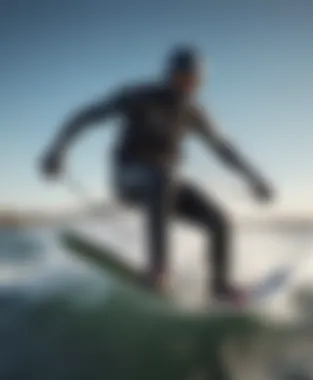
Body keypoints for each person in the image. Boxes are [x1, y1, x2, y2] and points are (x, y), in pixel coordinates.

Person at [40, 45, 274, 306]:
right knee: (161, 177)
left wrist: (254, 178)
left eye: (193, 80)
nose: (186, 85)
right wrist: (57, 149)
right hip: (129, 178)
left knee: (219, 221)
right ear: (169, 74)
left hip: (166, 185)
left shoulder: (194, 112)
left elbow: (223, 148)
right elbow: (85, 116)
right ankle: (158, 269)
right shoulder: (139, 95)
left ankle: (220, 287)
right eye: (181, 77)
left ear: (199, 82)